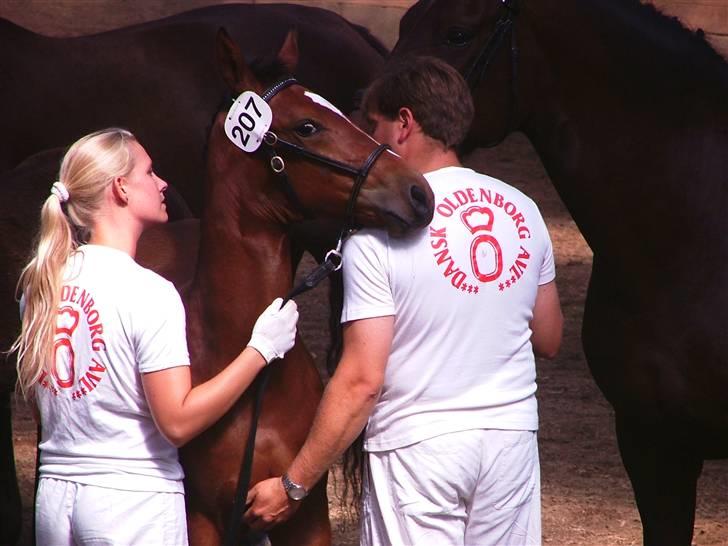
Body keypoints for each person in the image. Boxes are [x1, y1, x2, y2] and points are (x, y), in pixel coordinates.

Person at [244, 56, 563, 545]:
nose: (367, 140)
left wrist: (294, 485)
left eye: (373, 126)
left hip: (418, 450)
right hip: (509, 441)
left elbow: (361, 382)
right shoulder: (524, 208)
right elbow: (549, 336)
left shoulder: (378, 235)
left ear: (404, 124)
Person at [12, 128, 299, 546]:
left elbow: (48, 407)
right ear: (121, 189)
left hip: (56, 500)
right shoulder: (149, 291)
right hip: (131, 503)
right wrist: (260, 350)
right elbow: (177, 422)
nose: (163, 183)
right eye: (150, 172)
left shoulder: (40, 288)